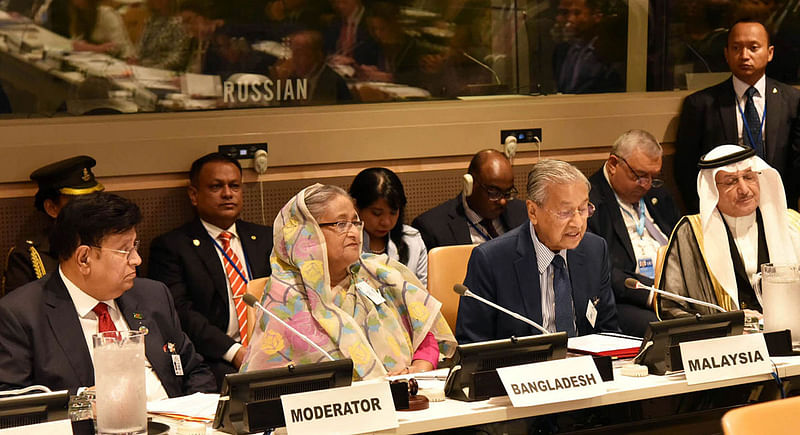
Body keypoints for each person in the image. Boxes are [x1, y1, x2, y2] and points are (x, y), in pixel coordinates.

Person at [0, 193, 216, 398]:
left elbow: (195, 370)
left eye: (135, 246)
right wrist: (82, 403)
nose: (137, 260)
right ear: (84, 258)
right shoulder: (21, 314)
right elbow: (14, 400)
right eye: (125, 251)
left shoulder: (153, 295)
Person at [241, 184, 456, 380]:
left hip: (407, 400)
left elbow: (424, 335)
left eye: (355, 222)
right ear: (306, 234)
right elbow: (267, 381)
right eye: (341, 223)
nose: (354, 231)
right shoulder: (285, 298)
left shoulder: (380, 273)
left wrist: (419, 368)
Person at [456, 159, 620, 344]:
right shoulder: (491, 260)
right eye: (565, 212)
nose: (578, 223)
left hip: (583, 368)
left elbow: (608, 332)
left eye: (583, 209)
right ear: (533, 212)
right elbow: (473, 343)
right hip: (520, 367)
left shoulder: (595, 250)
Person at [148, 152, 272, 386]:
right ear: (194, 195)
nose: (228, 193)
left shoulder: (266, 239)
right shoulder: (172, 247)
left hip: (271, 349)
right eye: (216, 186)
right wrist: (235, 351)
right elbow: (180, 314)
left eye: (234, 186)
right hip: (216, 356)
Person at [658, 144, 800, 318]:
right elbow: (670, 307)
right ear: (711, 190)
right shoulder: (691, 233)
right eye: (731, 182)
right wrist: (729, 322)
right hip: (725, 339)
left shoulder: (791, 223)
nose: (744, 190)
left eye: (749, 177)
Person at [674, 18, 800, 212]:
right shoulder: (701, 104)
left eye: (753, 47)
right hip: (723, 211)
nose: (744, 55)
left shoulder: (792, 100)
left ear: (770, 53)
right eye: (736, 48)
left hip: (778, 206)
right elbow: (686, 169)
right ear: (726, 54)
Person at [587, 130, 680, 336]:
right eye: (639, 176)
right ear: (613, 164)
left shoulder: (658, 195)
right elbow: (599, 270)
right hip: (624, 298)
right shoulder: (590, 203)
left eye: (653, 177)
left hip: (673, 291)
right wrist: (651, 293)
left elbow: (681, 242)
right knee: (667, 328)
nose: (646, 185)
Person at [4, 156, 104, 295]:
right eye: (79, 201)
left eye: (95, 198)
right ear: (52, 208)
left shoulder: (114, 245)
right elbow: (19, 312)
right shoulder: (28, 256)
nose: (91, 207)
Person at [412, 149, 528, 251]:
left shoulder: (524, 214)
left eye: (507, 193)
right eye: (494, 192)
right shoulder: (433, 228)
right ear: (470, 185)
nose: (503, 201)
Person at [349, 167, 428, 286]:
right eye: (377, 213)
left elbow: (423, 293)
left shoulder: (412, 241)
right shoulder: (344, 243)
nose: (386, 222)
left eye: (393, 212)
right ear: (356, 207)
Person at [68, 0, 135, 59]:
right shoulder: (79, 13)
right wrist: (99, 48)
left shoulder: (107, 14)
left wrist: (90, 47)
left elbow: (118, 47)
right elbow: (76, 44)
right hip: (94, 59)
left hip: (122, 61)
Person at [136, 0, 191, 70]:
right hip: (143, 70)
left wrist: (152, 68)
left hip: (164, 72)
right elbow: (140, 47)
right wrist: (136, 59)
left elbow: (179, 58)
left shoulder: (180, 22)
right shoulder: (151, 20)